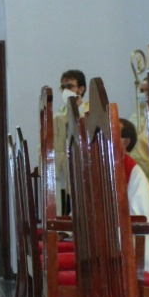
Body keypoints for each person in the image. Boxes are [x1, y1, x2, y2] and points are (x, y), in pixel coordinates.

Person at [119, 118, 149, 278]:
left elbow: (140, 217)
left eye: (112, 134)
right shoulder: (103, 167)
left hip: (127, 246)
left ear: (125, 142)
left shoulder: (134, 173)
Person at [54, 69, 88, 213]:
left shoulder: (91, 112)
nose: (65, 91)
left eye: (69, 86)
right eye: (62, 87)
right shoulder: (58, 117)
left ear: (81, 89)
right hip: (66, 172)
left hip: (86, 168)